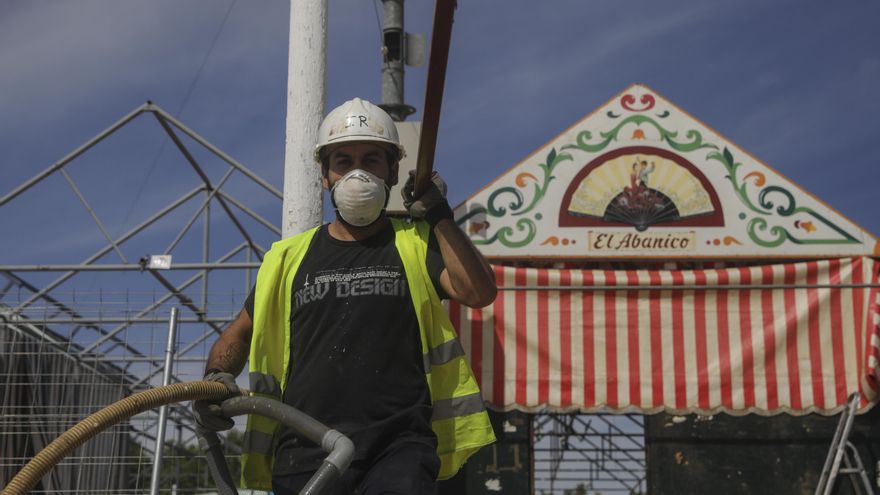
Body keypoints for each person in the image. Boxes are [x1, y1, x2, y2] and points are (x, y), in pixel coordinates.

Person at [192, 97, 497, 494]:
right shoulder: (287, 258)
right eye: (343, 161)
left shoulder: (417, 243)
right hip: (304, 445)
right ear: (325, 176)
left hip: (399, 447)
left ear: (391, 172)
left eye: (371, 160)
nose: (357, 173)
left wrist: (439, 215)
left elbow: (479, 291)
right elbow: (238, 333)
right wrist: (216, 379)